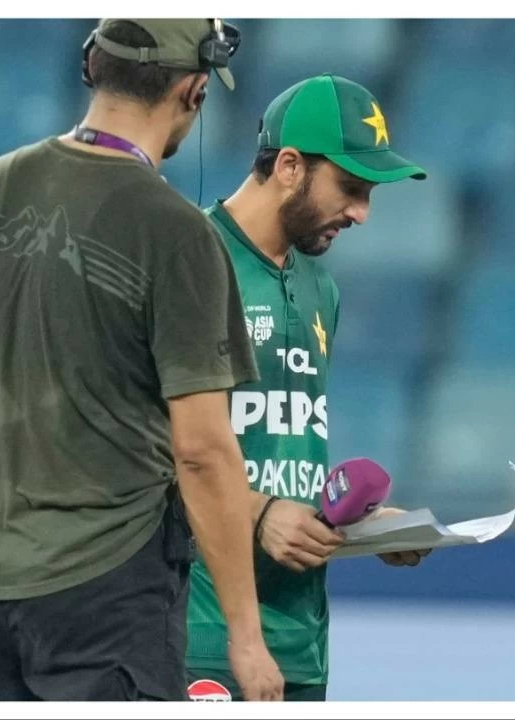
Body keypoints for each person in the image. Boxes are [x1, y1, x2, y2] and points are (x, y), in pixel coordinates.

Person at [0, 18, 285, 701]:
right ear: (194, 91)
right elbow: (201, 452)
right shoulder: (177, 233)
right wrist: (247, 641)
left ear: (92, 70)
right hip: (105, 599)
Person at [184, 73, 431, 702]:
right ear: (289, 166)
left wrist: (359, 527)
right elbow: (143, 449)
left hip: (301, 637)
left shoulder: (321, 286)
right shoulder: (190, 261)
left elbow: (279, 442)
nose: (361, 213)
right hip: (202, 630)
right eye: (350, 188)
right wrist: (260, 513)